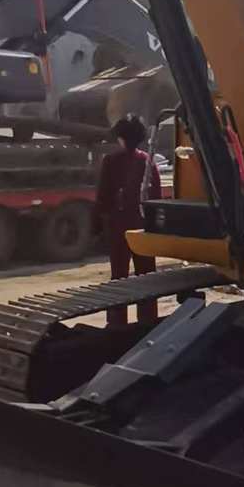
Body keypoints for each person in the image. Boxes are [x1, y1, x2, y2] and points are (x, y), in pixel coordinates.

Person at [96, 114, 161, 328]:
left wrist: (100, 225)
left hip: (119, 227)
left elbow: (103, 197)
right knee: (146, 277)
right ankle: (148, 323)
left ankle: (117, 325)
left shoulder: (111, 161)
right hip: (143, 228)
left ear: (121, 138)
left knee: (119, 277)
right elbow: (156, 197)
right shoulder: (148, 161)